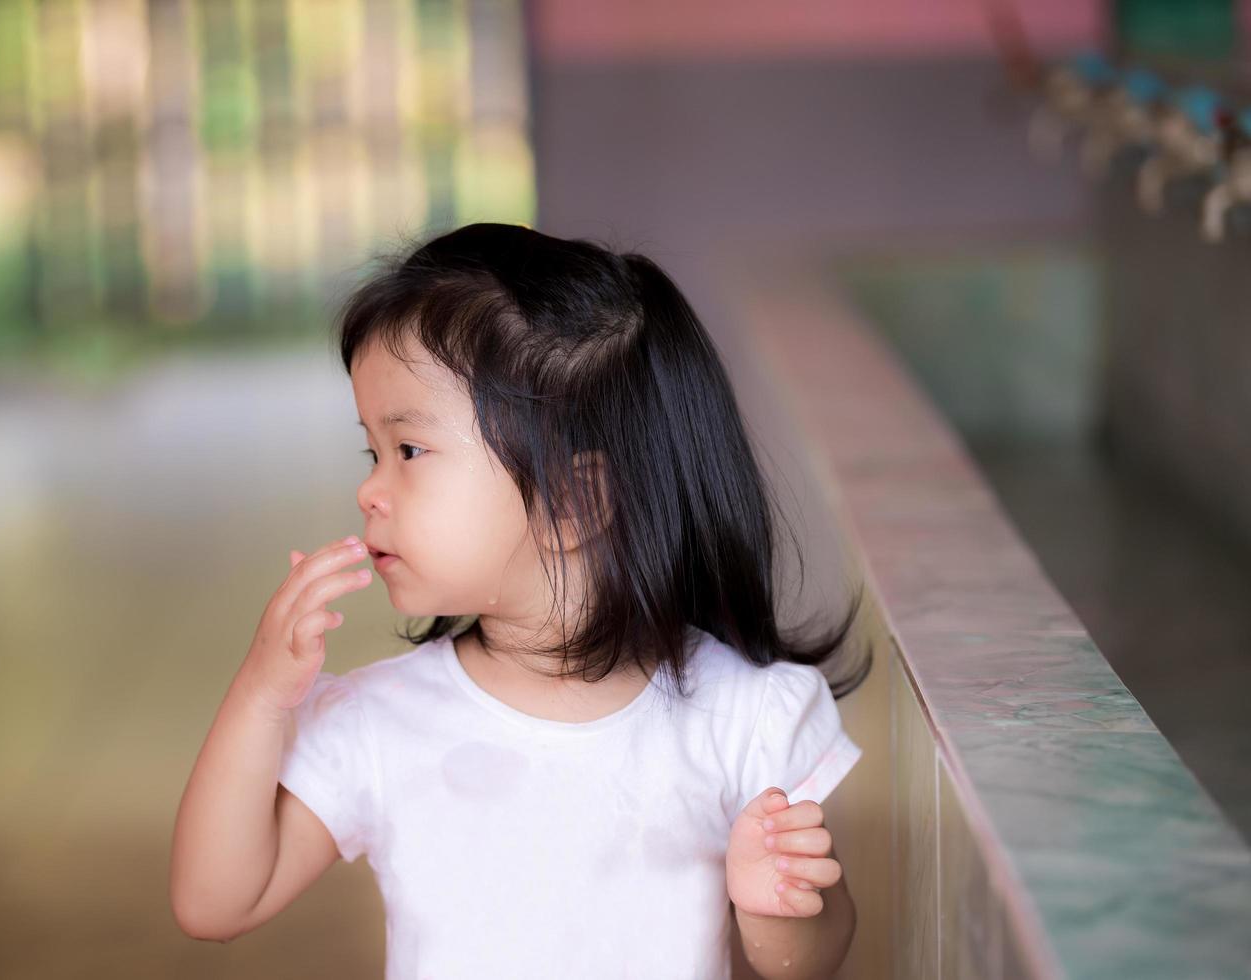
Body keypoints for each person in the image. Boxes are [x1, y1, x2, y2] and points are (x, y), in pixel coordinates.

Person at [169, 223, 872, 979]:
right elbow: (215, 905)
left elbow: (807, 964)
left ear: (574, 500)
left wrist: (777, 903)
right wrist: (260, 697)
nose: (369, 490)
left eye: (408, 451)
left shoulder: (742, 720)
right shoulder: (380, 721)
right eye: (372, 452)